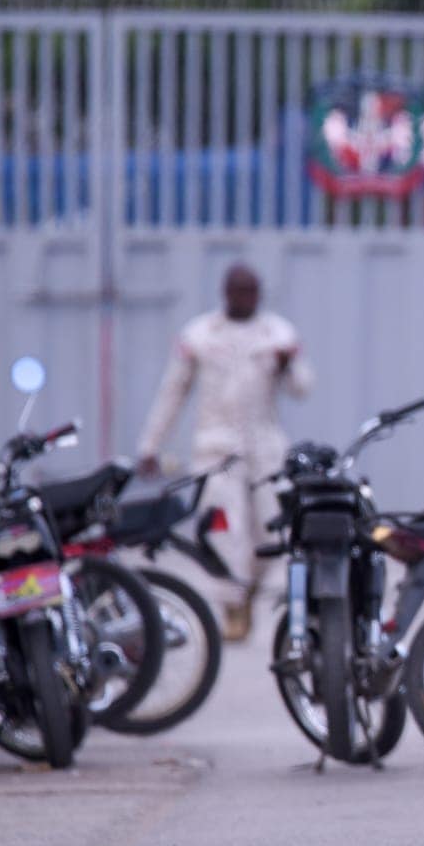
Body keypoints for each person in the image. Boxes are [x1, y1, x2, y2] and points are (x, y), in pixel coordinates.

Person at [136, 264, 314, 641]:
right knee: (223, 528)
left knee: (272, 530)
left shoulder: (277, 334)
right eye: (239, 291)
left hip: (265, 449)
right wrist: (150, 446)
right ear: (226, 292)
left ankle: (247, 589)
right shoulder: (200, 335)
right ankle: (230, 605)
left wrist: (287, 366)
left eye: (252, 291)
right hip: (216, 448)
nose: (245, 298)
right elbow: (173, 392)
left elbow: (302, 387)